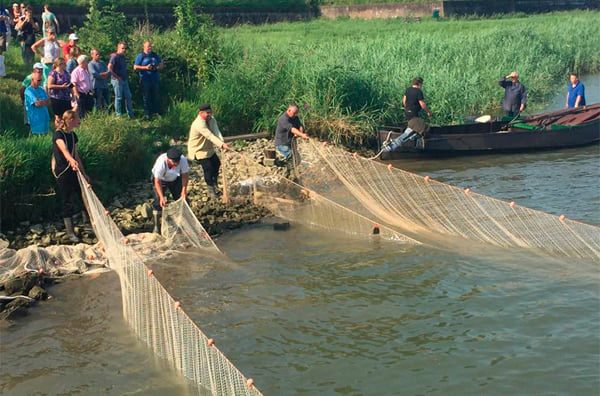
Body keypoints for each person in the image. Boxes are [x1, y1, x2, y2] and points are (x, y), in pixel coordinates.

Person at [52, 110, 90, 243]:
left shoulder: (73, 135)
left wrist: (84, 173)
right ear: (70, 120)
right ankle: (70, 232)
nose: (79, 121)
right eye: (77, 118)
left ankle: (87, 224)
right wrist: (70, 160)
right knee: (66, 200)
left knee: (82, 195)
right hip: (63, 172)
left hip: (74, 170)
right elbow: (64, 150)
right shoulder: (58, 134)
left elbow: (76, 155)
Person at [187, 103, 230, 199]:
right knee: (208, 169)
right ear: (201, 113)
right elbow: (209, 135)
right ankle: (211, 190)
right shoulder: (198, 124)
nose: (209, 114)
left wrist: (222, 143)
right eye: (207, 113)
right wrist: (221, 145)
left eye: (210, 112)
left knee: (216, 164)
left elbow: (216, 131)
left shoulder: (212, 119)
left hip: (209, 149)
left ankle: (214, 183)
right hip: (199, 150)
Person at [383, 77, 433, 151]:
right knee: (425, 128)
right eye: (421, 84)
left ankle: (412, 139)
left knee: (412, 128)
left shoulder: (408, 90)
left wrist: (407, 108)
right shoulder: (418, 91)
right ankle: (390, 148)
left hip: (408, 113)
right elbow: (422, 104)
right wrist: (429, 112)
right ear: (419, 84)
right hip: (413, 116)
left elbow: (404, 100)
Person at [151, 147, 189, 233]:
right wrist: (161, 197)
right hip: (161, 180)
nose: (176, 164)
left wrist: (184, 191)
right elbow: (157, 181)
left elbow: (185, 176)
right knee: (158, 202)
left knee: (183, 199)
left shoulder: (182, 160)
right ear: (168, 159)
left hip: (175, 179)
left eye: (177, 162)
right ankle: (156, 226)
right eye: (173, 162)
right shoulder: (161, 163)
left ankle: (185, 224)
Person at [134, 40, 163, 119]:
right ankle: (147, 113)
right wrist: (145, 67)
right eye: (148, 46)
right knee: (146, 97)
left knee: (156, 96)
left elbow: (161, 64)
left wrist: (157, 67)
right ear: (144, 47)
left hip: (155, 79)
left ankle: (156, 112)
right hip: (145, 79)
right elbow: (135, 67)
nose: (149, 48)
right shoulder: (141, 56)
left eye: (150, 46)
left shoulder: (155, 55)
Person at [108, 41, 133, 117]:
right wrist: (117, 77)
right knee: (118, 97)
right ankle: (118, 115)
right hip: (117, 80)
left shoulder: (123, 57)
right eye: (122, 48)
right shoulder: (114, 56)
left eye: (125, 48)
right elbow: (109, 68)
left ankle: (130, 114)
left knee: (128, 96)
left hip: (124, 79)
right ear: (118, 48)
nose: (124, 50)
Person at [70, 54, 93, 118]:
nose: (88, 63)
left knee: (89, 110)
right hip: (81, 94)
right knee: (81, 112)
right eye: (86, 62)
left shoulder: (86, 70)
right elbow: (73, 84)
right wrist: (77, 94)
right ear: (82, 62)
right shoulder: (76, 71)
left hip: (88, 93)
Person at [0, 4, 10, 77]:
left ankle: (2, 72)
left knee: (0, 51)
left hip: (2, 31)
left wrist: (4, 17)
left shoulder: (2, 7)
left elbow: (9, 18)